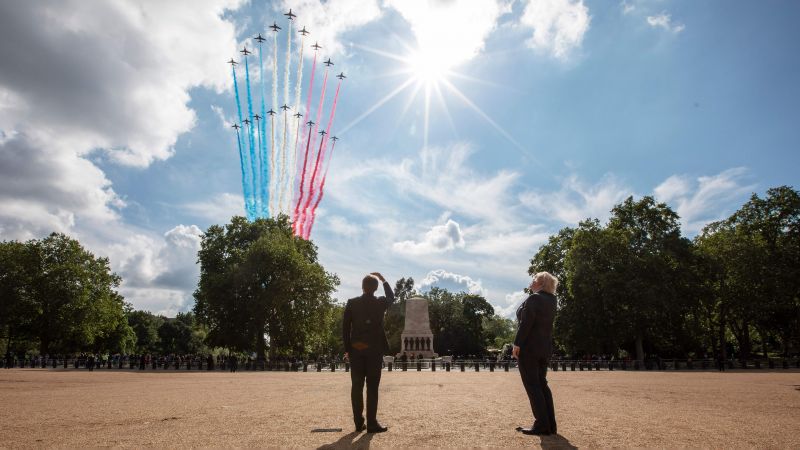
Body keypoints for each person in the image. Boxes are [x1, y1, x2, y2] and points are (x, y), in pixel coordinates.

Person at [343, 272, 394, 433]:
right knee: (372, 387)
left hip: (357, 349)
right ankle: (371, 423)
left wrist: (348, 349)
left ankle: (358, 423)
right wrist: (383, 279)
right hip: (374, 349)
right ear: (376, 288)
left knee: (356, 387)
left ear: (362, 287)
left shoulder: (352, 303)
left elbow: (345, 329)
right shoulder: (380, 303)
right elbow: (391, 297)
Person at [513, 271, 558, 436]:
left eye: (534, 279)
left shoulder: (534, 298)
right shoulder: (552, 300)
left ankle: (541, 424)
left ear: (540, 283)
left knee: (533, 385)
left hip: (529, 348)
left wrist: (517, 343)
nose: (531, 281)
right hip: (544, 348)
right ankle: (550, 424)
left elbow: (526, 323)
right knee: (542, 385)